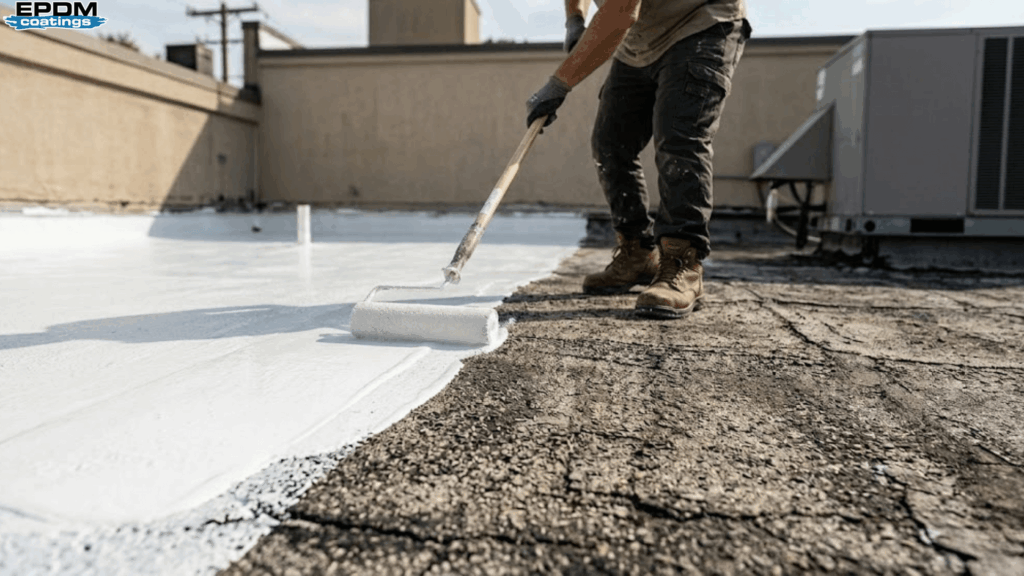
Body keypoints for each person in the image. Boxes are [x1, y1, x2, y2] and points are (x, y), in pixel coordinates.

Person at [526, 0, 751, 319]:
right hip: (639, 40)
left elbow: (619, 13)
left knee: (679, 138)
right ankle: (637, 253)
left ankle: (683, 264)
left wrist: (559, 84)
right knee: (610, 143)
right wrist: (575, 19)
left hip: (699, 22)